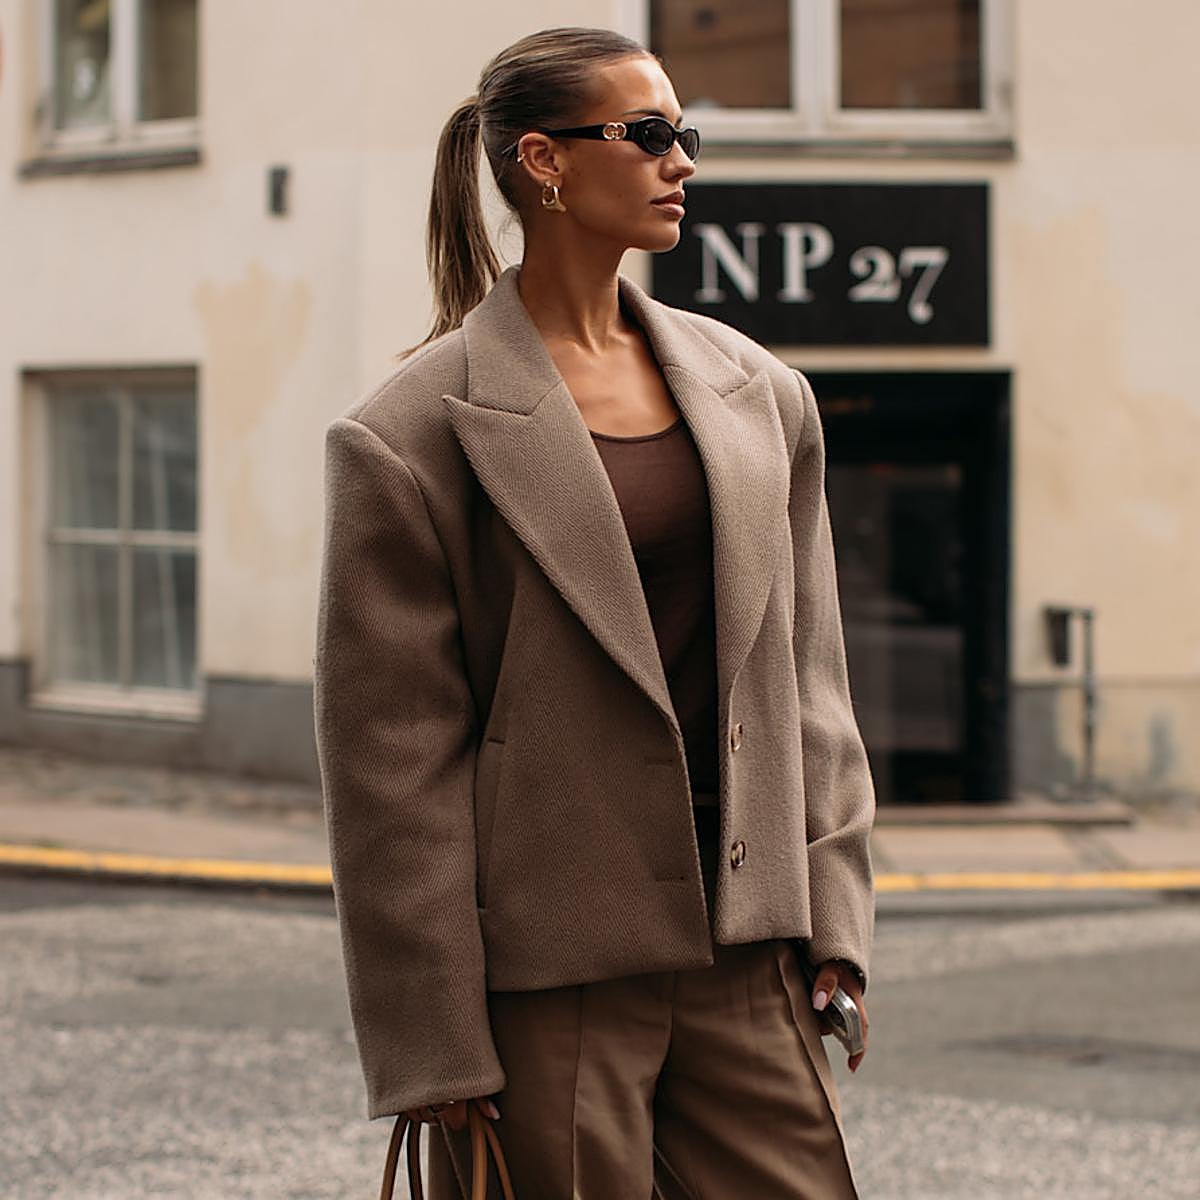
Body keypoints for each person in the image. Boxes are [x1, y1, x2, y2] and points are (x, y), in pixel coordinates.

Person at [313, 25, 876, 1199]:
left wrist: (834, 922)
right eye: (651, 134)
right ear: (546, 163)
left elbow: (808, 683)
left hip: (748, 952)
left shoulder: (762, 397)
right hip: (550, 976)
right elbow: (393, 769)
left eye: (686, 135)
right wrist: (435, 1036)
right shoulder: (409, 435)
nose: (683, 161)